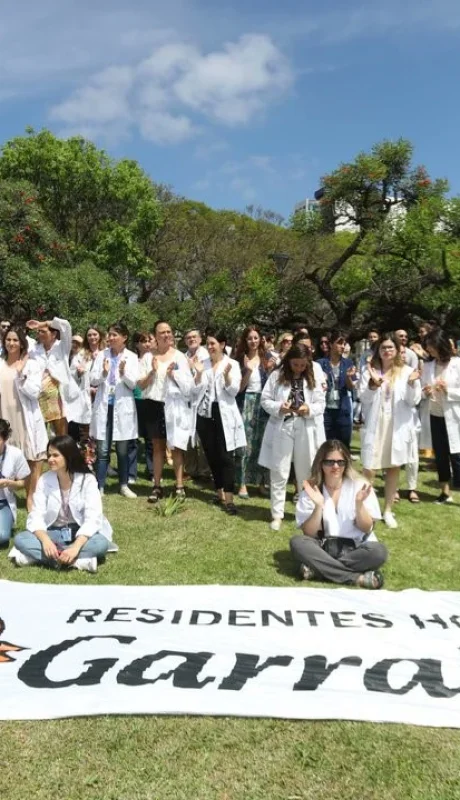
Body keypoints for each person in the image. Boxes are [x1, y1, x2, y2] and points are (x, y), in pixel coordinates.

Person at [290, 440, 387, 588]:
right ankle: (357, 579)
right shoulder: (312, 489)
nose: (335, 466)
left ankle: (318, 569)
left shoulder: (360, 485)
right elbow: (309, 533)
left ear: (346, 464)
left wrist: (359, 504)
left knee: (379, 551)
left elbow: (367, 528)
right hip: (323, 547)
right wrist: (318, 507)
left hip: (356, 548)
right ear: (321, 463)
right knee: (298, 542)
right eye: (329, 462)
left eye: (340, 462)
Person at [11, 435, 112, 572]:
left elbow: (93, 518)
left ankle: (38, 558)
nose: (50, 459)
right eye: (49, 455)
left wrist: (76, 547)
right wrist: (46, 541)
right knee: (21, 539)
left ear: (68, 456)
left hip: (79, 532)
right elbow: (36, 515)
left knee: (101, 543)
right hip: (53, 532)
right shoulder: (44, 480)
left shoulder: (87, 480)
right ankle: (78, 562)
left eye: (55, 455)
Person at [259, 343, 326, 531]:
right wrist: (280, 407)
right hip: (283, 426)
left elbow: (321, 403)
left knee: (305, 472)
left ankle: (305, 513)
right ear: (288, 361)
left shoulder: (314, 376)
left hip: (305, 426)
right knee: (279, 471)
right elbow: (265, 400)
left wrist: (309, 409)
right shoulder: (276, 376)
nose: (299, 368)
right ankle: (277, 514)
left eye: (302, 365)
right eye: (295, 364)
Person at [359, 332, 421, 528]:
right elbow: (363, 399)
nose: (386, 351)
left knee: (393, 467)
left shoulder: (407, 371)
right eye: (383, 347)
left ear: (397, 350)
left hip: (397, 425)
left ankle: (387, 510)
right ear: (378, 350)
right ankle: (369, 509)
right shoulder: (369, 371)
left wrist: (411, 383)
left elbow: (414, 401)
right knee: (369, 468)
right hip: (376, 423)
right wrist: (371, 385)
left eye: (390, 347)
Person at [138, 320, 193, 502]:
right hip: (153, 405)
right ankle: (157, 486)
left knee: (176, 447)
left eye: (169, 331)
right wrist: (153, 372)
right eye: (162, 332)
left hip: (173, 406)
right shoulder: (147, 358)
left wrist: (173, 375)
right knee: (157, 447)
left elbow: (188, 386)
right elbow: (140, 384)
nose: (167, 335)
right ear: (156, 336)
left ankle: (179, 486)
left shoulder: (179, 357)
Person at [195, 328, 246, 514]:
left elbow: (234, 391)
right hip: (205, 413)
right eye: (207, 344)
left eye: (212, 344)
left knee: (226, 457)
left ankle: (230, 499)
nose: (209, 347)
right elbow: (195, 390)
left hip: (223, 413)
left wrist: (226, 377)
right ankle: (219, 493)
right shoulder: (203, 364)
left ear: (222, 345)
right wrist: (199, 374)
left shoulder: (231, 363)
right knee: (212, 454)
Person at [0, 326, 48, 509]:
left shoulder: (31, 365)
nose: (11, 343)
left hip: (25, 416)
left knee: (33, 458)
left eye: (15, 340)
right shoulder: (0, 364)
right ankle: (6, 494)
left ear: (22, 344)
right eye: (8, 339)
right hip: (5, 416)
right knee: (8, 456)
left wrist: (21, 374)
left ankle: (31, 497)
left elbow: (35, 393)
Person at [90, 321, 139, 498]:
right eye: (109, 334)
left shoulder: (132, 357)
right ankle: (100, 486)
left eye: (114, 335)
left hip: (123, 406)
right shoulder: (101, 355)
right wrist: (103, 373)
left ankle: (124, 485)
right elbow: (93, 380)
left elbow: (134, 384)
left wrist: (123, 372)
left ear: (124, 337)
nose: (110, 338)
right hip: (105, 406)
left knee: (122, 450)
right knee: (102, 450)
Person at [420, 328, 460, 503]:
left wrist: (448, 390)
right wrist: (425, 392)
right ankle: (445, 492)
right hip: (434, 415)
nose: (429, 350)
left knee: (457, 455)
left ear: (441, 345)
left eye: (431, 346)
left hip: (454, 416)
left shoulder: (457, 364)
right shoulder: (428, 366)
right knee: (441, 455)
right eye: (428, 347)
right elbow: (420, 392)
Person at [27, 316, 82, 435]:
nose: (40, 333)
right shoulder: (34, 350)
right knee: (39, 434)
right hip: (39, 396)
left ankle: (62, 453)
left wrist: (43, 323)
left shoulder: (62, 346)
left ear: (53, 334)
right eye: (38, 331)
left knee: (61, 435)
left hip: (58, 399)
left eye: (43, 331)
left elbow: (66, 325)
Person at [234, 326, 270, 499]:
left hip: (263, 404)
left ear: (260, 339)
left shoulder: (267, 359)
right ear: (245, 340)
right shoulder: (240, 359)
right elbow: (239, 388)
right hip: (246, 403)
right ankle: (242, 483)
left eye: (256, 338)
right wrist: (247, 370)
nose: (253, 341)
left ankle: (261, 482)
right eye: (250, 338)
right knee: (245, 445)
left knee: (262, 443)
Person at [318, 330, 356, 448]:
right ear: (330, 344)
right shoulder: (320, 363)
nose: (342, 346)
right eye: (339, 343)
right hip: (325, 411)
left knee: (343, 445)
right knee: (325, 445)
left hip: (342, 410)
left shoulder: (348, 363)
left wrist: (349, 377)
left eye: (344, 344)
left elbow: (351, 387)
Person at [184, 329, 211, 481]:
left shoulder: (206, 356)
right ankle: (191, 469)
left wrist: (193, 368)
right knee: (188, 436)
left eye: (194, 337)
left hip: (202, 399)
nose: (191, 339)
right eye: (188, 338)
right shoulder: (183, 357)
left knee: (202, 437)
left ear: (200, 339)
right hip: (188, 400)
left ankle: (205, 471)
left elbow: (206, 379)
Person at [129, 332, 155, 483]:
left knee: (150, 438)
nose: (146, 344)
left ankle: (152, 470)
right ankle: (131, 473)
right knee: (132, 438)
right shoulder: (132, 359)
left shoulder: (154, 359)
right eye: (142, 341)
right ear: (136, 344)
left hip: (148, 400)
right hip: (133, 401)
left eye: (148, 341)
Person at [0, 419, 31, 547]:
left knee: (2, 537)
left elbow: (24, 482)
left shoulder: (15, 454)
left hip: (3, 502)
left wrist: (9, 483)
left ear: (5, 438)